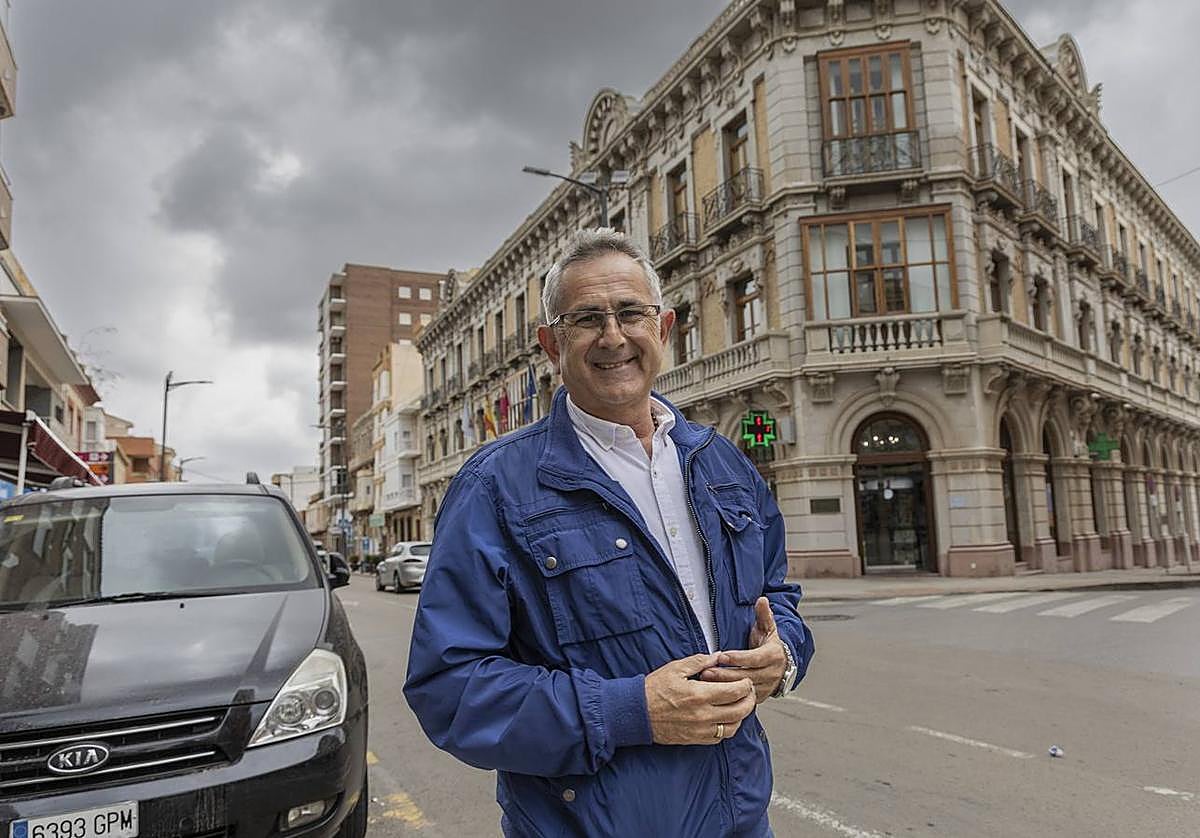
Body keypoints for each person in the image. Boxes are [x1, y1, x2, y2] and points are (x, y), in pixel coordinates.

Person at [404, 228, 813, 837]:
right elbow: (450, 688)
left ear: (663, 328)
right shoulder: (494, 488)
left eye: (630, 313)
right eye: (587, 319)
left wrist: (783, 658)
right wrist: (631, 710)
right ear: (551, 344)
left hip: (741, 818)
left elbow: (777, 595)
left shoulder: (721, 462)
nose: (614, 336)